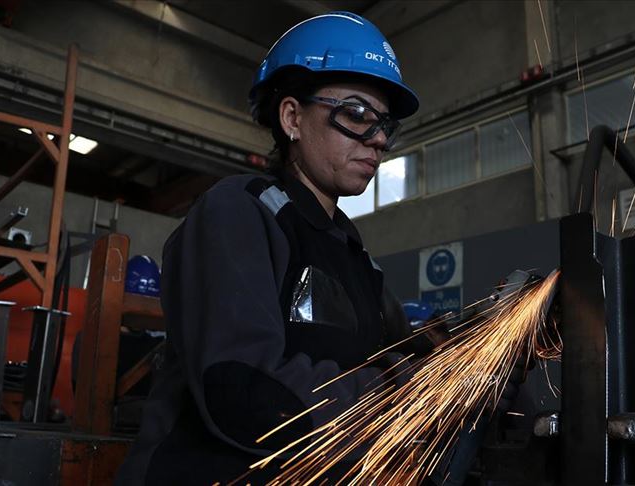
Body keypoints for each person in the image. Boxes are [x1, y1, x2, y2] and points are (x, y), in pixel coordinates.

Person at [114, 11, 425, 485]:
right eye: (357, 115)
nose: (379, 139)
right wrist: (396, 397)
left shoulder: (351, 251)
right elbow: (242, 392)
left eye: (384, 124)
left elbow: (404, 350)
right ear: (292, 117)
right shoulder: (238, 213)